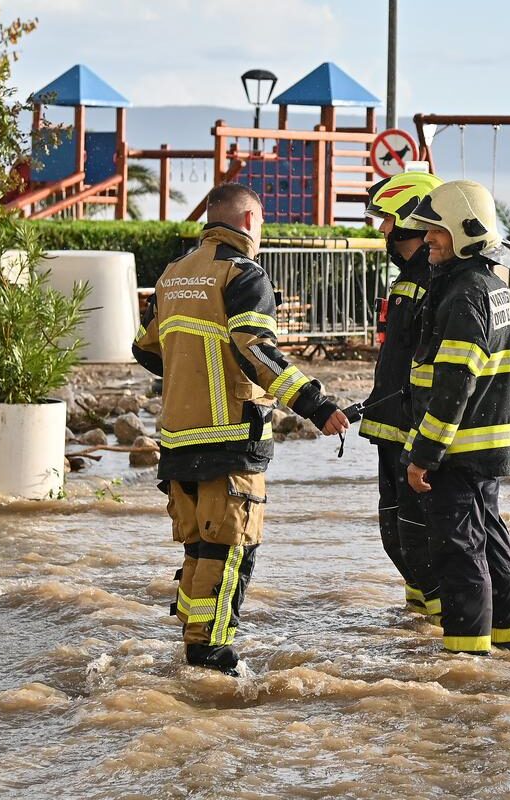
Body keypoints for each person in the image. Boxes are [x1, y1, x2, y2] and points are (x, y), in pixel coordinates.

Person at [133, 182, 349, 675]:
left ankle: (192, 659)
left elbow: (145, 349)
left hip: (177, 441)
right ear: (250, 221)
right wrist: (315, 405)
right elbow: (255, 350)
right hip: (229, 438)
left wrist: (190, 376)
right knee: (230, 551)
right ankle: (213, 661)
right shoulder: (243, 274)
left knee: (199, 551)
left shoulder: (172, 275)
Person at [402, 180, 510, 655]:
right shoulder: (493, 288)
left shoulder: (464, 296)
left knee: (459, 554)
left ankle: (466, 659)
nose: (428, 239)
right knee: (492, 544)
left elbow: (454, 385)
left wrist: (424, 455)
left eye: (436, 231)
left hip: (456, 450)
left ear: (464, 231)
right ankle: (507, 643)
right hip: (485, 448)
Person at [360, 170, 445, 621]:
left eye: (388, 220)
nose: (383, 230)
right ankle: (416, 629)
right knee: (395, 536)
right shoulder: (409, 278)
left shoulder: (435, 280)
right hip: (389, 423)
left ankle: (439, 632)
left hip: (415, 432)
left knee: (416, 537)